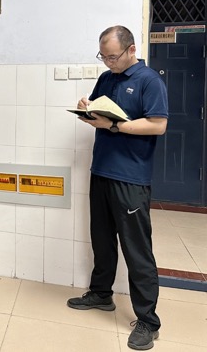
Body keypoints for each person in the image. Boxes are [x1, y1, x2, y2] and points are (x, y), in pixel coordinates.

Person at [67, 26, 168, 351]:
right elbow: (99, 113)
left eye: (112, 56)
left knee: (137, 250)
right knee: (102, 239)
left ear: (131, 50)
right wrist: (87, 108)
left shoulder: (149, 81)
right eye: (104, 56)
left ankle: (148, 321)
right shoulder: (106, 78)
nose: (108, 62)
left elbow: (158, 125)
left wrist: (113, 125)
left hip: (131, 178)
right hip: (101, 171)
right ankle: (101, 294)